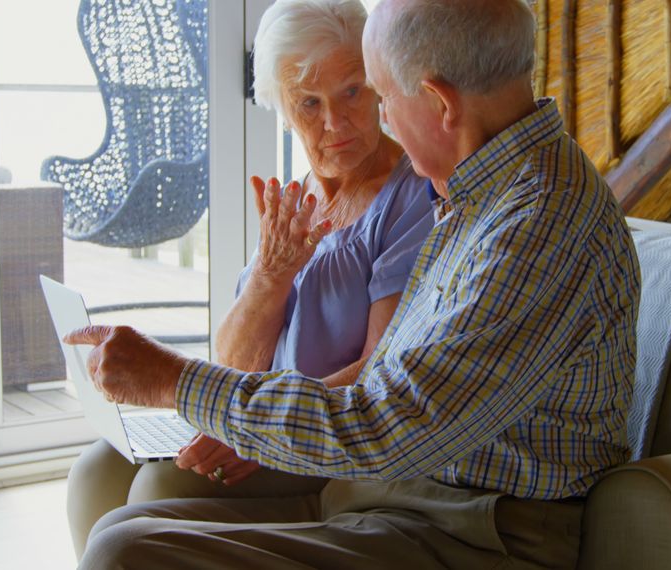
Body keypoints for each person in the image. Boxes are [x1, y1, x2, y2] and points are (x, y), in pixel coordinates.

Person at [71, 0, 641, 567]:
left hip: (471, 526)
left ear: (438, 102)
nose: (379, 121)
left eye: (379, 96)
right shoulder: (477, 194)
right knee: (121, 518)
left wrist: (176, 380)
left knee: (127, 549)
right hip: (390, 492)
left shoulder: (537, 224)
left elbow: (385, 424)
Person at [64, 0, 434, 559]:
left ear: (379, 85)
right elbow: (234, 363)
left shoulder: (412, 195)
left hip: (319, 436)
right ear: (281, 110)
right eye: (309, 103)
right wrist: (270, 275)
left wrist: (264, 428)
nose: (335, 123)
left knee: (159, 485)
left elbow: (382, 370)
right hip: (252, 414)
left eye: (353, 92)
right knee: (94, 470)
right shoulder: (295, 199)